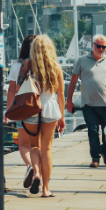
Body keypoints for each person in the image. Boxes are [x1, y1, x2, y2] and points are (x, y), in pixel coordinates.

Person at [66, 34, 106, 168]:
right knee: (92, 131)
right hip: (88, 104)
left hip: (105, 104)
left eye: (103, 47)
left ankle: (105, 152)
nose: (100, 49)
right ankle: (95, 158)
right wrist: (69, 101)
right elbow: (73, 82)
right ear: (92, 45)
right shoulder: (82, 60)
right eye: (98, 46)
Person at [25, 35, 66, 197]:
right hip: (49, 107)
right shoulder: (56, 67)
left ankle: (36, 173)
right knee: (47, 149)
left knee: (34, 146)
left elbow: (22, 87)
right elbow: (61, 95)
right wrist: (61, 116)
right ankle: (46, 189)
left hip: (31, 107)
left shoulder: (28, 65)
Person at [6, 34, 38, 188]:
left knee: (24, 144)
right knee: (37, 145)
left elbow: (12, 90)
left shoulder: (16, 65)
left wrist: (8, 111)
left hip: (22, 107)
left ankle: (29, 166)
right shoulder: (43, 64)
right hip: (40, 107)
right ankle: (38, 174)